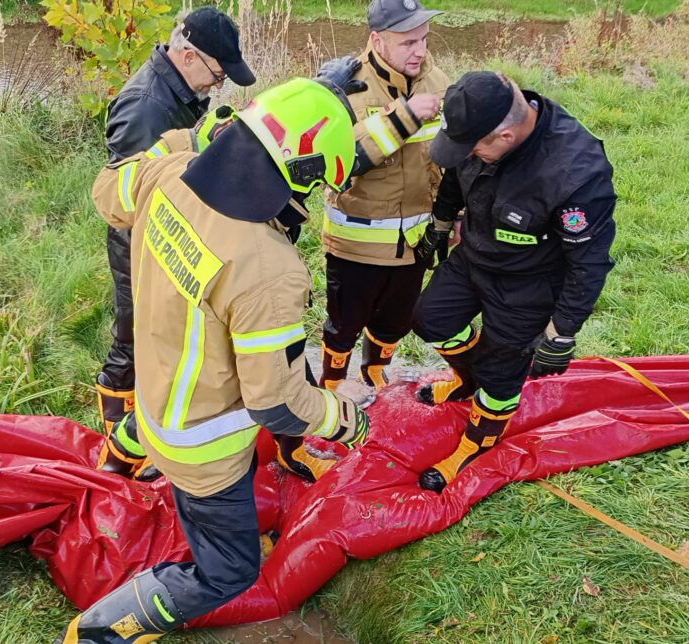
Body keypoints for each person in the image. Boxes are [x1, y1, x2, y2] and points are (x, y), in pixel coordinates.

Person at [56, 78, 372, 644]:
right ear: (298, 175)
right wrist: (345, 419)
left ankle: (117, 467)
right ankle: (101, 630)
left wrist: (180, 139)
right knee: (230, 570)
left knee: (161, 449)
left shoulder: (169, 173)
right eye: (318, 182)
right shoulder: (268, 268)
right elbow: (277, 405)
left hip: (152, 399)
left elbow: (108, 192)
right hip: (201, 447)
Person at [412, 71, 617, 493]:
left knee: (501, 373)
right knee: (430, 318)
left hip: (529, 282)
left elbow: (588, 262)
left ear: (505, 136)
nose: (468, 154)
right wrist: (440, 224)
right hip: (475, 256)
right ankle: (467, 379)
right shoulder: (477, 119)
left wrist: (561, 334)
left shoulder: (575, 172)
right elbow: (454, 175)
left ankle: (478, 442)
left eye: (474, 149)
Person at [96, 7, 255, 470]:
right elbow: (131, 194)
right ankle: (115, 429)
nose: (217, 85)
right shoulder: (146, 106)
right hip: (140, 242)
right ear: (188, 54)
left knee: (164, 335)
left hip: (172, 234)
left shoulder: (181, 88)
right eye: (217, 74)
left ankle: (140, 425)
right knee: (133, 334)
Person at [318, 0, 449, 394]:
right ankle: (333, 388)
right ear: (377, 40)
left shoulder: (437, 81)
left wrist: (453, 216)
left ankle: (375, 375)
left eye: (424, 40)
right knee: (343, 325)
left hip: (414, 242)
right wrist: (404, 116)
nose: (420, 51)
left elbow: (450, 159)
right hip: (355, 244)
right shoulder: (345, 86)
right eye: (408, 42)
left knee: (396, 321)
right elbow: (341, 163)